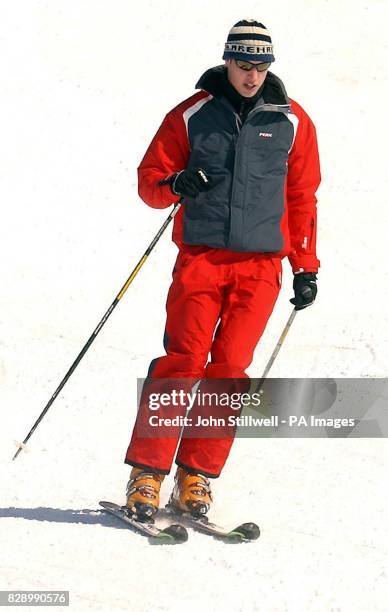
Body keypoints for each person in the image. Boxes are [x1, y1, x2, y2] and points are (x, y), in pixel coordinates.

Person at [124, 19, 321, 520]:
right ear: (227, 60)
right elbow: (150, 183)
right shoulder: (191, 115)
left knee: (229, 371)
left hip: (260, 268)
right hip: (202, 260)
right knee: (182, 363)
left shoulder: (293, 122)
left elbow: (301, 199)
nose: (253, 75)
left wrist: (305, 265)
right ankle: (146, 474)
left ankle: (196, 478)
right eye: (244, 64)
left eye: (261, 66)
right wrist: (177, 184)